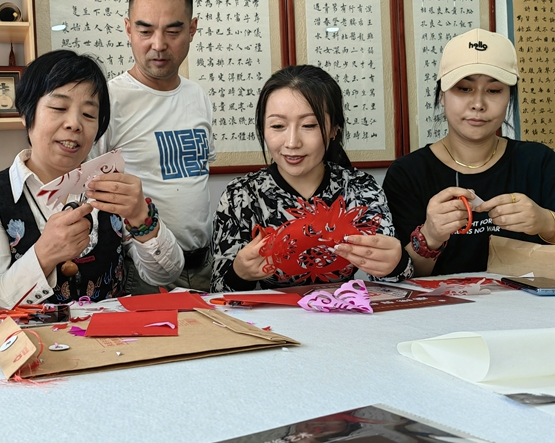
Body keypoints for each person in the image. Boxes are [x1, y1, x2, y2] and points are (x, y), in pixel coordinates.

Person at [0, 50, 184, 307]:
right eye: (59, 108)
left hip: (112, 332)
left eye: (88, 115)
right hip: (29, 333)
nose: (74, 124)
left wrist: (141, 216)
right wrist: (44, 255)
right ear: (26, 114)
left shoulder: (112, 185)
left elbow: (165, 275)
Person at [212, 65, 412, 293]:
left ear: (334, 129)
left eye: (309, 125)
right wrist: (239, 273)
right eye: (277, 126)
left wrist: (396, 263)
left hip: (344, 308)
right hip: (269, 313)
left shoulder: (360, 188)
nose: (292, 142)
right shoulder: (240, 195)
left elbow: (395, 283)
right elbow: (218, 291)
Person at [383, 28, 555, 276]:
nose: (478, 104)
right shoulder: (408, 173)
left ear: (509, 97)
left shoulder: (538, 162)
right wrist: (430, 235)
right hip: (440, 302)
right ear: (442, 95)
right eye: (464, 89)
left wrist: (546, 222)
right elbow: (399, 278)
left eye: (494, 91)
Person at [90, 0, 216, 293]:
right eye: (145, 31)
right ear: (128, 28)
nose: (158, 45)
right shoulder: (108, 101)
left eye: (173, 31)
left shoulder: (198, 96)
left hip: (206, 266)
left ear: (192, 29)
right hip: (142, 271)